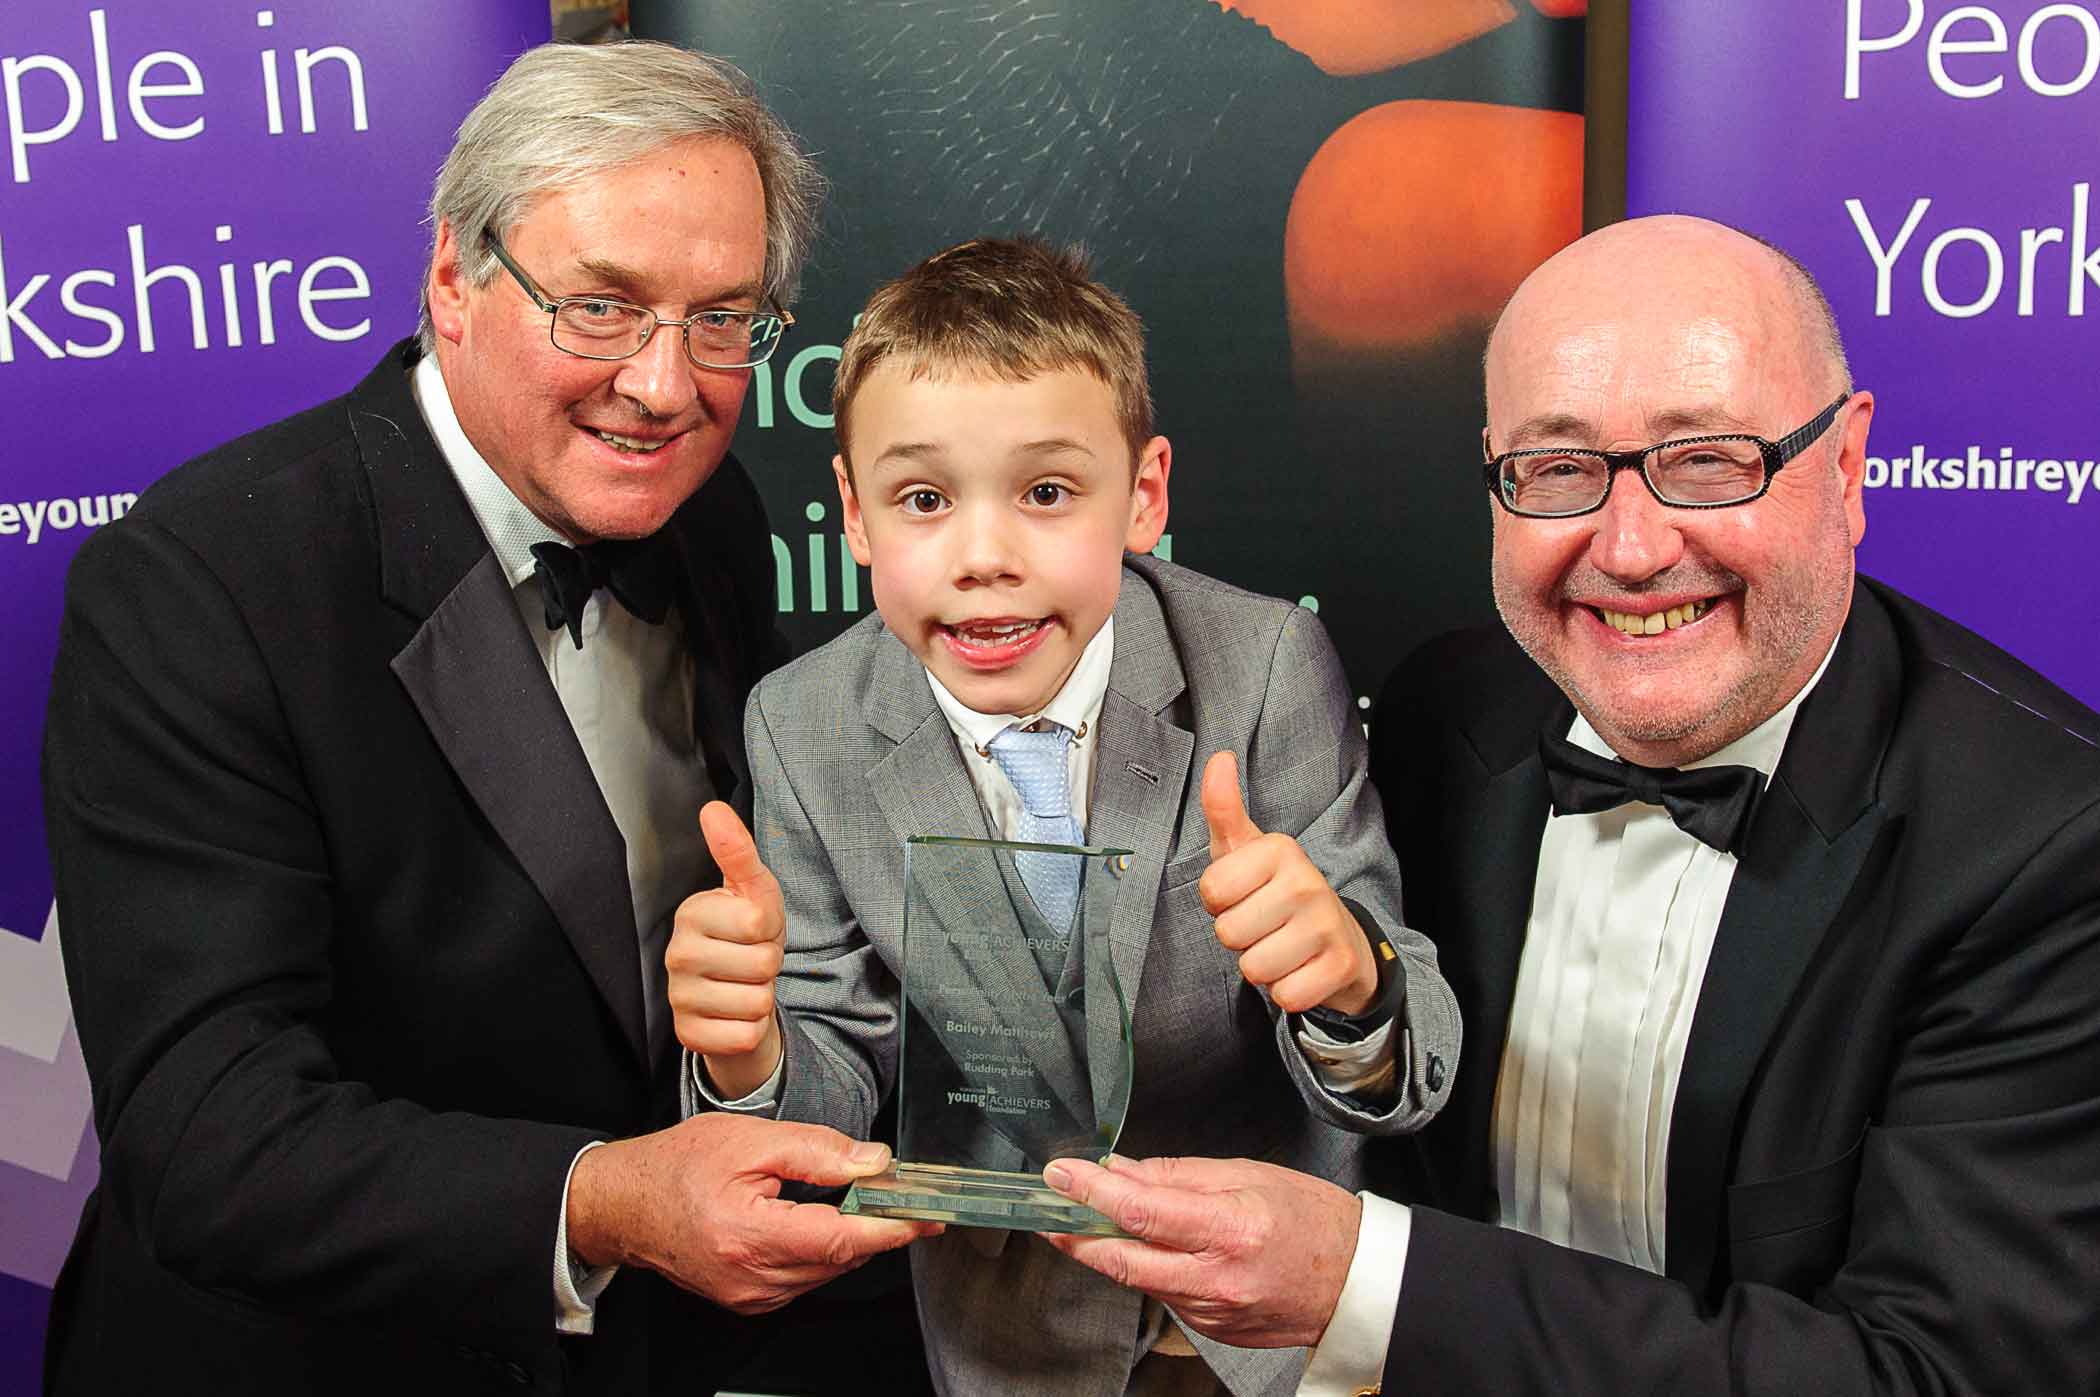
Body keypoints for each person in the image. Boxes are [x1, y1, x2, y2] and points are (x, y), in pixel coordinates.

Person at [1038, 214, 2100, 1394]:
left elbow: (1938, 1375)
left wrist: (1366, 1281)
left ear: (1846, 468)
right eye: (1559, 469)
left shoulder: (2046, 842)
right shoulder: (1448, 710)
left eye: (1709, 457)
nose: (1632, 548)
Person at [39, 41, 932, 1396]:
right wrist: (607, 1201)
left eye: (721, 320)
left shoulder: (714, 516)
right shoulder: (198, 585)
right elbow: (209, 1137)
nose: (663, 386)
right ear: (455, 278)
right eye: (601, 307)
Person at [664, 237, 1460, 1396]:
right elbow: (832, 1076)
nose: (985, 557)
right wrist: (750, 1056)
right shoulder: (804, 720)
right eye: (924, 499)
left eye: (1046, 492)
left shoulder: (1267, 665)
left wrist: (1351, 981)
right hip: (1013, 1339)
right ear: (853, 513)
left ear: (1143, 494)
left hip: (1255, 1314)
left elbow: (1405, 1062)